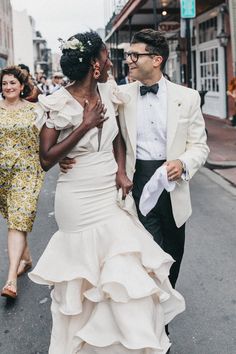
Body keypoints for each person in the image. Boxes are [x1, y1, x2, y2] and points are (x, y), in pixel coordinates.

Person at [29, 30, 185, 354]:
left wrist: (121, 169)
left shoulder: (109, 91)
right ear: (94, 64)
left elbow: (116, 137)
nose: (112, 63)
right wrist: (84, 125)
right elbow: (46, 158)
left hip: (109, 191)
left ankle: (126, 341)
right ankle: (84, 342)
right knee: (87, 277)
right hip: (77, 197)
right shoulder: (58, 101)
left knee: (123, 265)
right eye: (105, 56)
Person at [116, 29, 209, 288]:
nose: (129, 59)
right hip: (139, 182)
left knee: (173, 256)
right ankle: (155, 321)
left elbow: (199, 146)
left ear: (156, 59)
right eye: (128, 54)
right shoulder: (121, 96)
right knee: (149, 257)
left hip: (173, 186)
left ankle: (165, 310)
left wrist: (183, 163)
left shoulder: (187, 97)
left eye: (135, 54)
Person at [0, 66, 45, 299]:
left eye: (12, 83)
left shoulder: (35, 110)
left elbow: (50, 138)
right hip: (2, 174)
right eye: (5, 83)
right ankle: (26, 260)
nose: (8, 87)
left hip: (27, 172)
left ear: (21, 85)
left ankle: (10, 281)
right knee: (15, 217)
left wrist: (65, 157)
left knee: (17, 219)